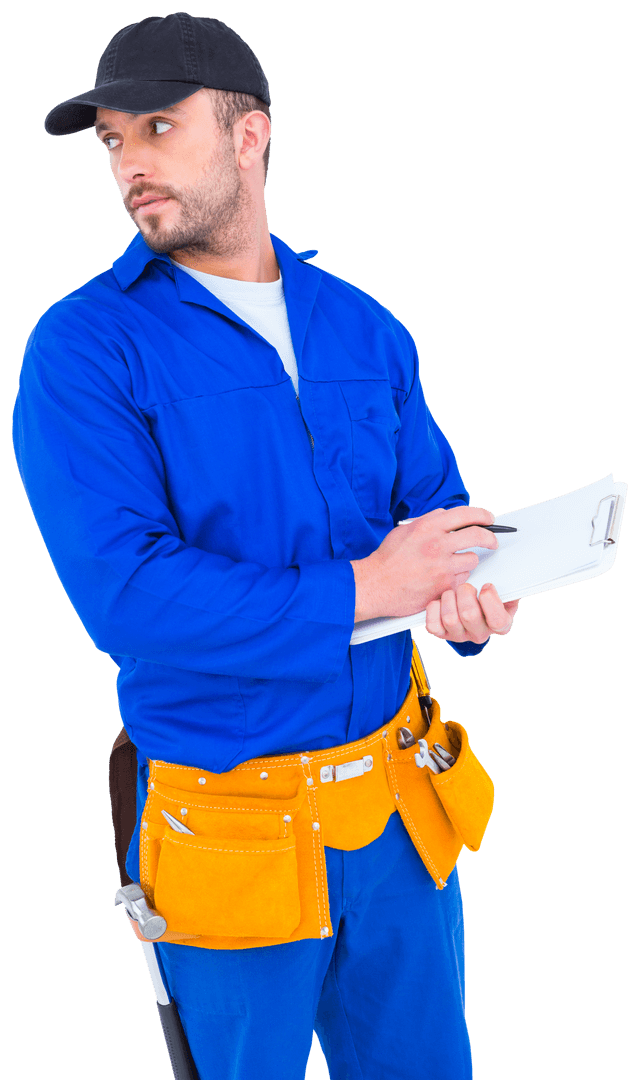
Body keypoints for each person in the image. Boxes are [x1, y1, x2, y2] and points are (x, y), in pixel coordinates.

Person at [12, 14, 519, 1080]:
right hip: (229, 831)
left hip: (396, 820)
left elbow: (438, 514)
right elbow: (129, 594)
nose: (131, 163)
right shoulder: (86, 348)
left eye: (157, 124)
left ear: (251, 135)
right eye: (112, 141)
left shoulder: (364, 328)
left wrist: (476, 595)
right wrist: (361, 589)